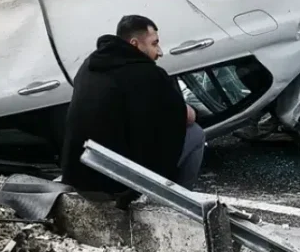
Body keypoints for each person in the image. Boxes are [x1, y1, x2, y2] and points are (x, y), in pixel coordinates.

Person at [60, 15, 205, 197]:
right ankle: (179, 202)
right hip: (117, 183)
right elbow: (185, 117)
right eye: (154, 44)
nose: (159, 52)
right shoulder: (147, 74)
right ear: (135, 44)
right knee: (196, 133)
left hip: (79, 174)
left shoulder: (89, 66)